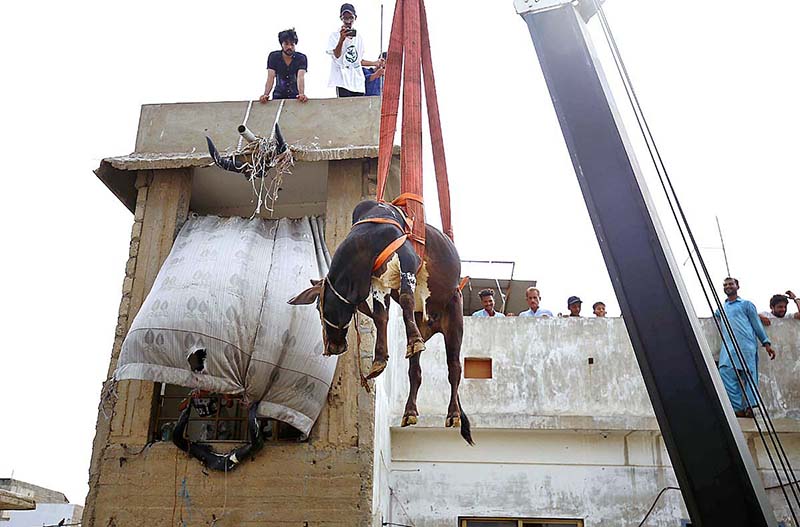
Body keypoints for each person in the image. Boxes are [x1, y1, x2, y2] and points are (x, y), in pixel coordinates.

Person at [715, 277, 776, 418]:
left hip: (746, 345)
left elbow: (756, 324)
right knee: (725, 372)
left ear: (737, 286)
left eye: (731, 284)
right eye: (725, 284)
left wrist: (766, 343)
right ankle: (737, 408)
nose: (728, 286)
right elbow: (714, 316)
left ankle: (750, 406)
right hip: (728, 348)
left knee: (749, 375)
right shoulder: (721, 308)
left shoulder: (746, 304)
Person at [327, 3, 384, 97]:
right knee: (345, 108)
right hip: (342, 80)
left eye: (351, 17)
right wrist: (341, 39)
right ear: (341, 18)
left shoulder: (359, 38)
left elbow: (358, 61)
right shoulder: (334, 35)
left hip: (357, 82)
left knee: (358, 108)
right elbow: (336, 55)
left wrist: (375, 63)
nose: (348, 21)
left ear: (355, 18)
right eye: (345, 18)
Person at [259, 29, 308, 104]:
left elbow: (300, 77)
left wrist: (301, 94)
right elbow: (270, 77)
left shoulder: (301, 58)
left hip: (295, 96)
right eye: (286, 44)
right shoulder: (274, 57)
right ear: (281, 44)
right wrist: (266, 94)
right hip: (278, 95)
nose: (289, 47)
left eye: (292, 44)